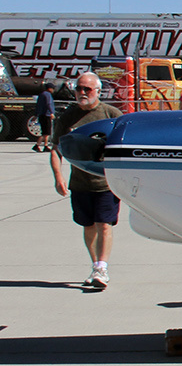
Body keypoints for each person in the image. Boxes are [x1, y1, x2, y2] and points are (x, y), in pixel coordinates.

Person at [50, 72, 123, 289]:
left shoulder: (111, 114)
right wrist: (58, 177)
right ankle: (95, 265)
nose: (82, 93)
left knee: (104, 224)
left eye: (87, 89)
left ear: (98, 91)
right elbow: (56, 148)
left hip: (105, 183)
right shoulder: (68, 117)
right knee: (88, 225)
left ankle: (102, 267)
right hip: (80, 184)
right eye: (79, 88)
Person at [33, 81, 55, 152]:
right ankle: (42, 146)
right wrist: (51, 112)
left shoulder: (41, 95)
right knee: (47, 132)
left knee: (45, 132)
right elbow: (48, 104)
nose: (53, 90)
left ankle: (41, 145)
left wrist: (36, 115)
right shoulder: (48, 95)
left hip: (41, 115)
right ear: (49, 88)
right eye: (52, 88)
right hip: (46, 115)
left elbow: (38, 106)